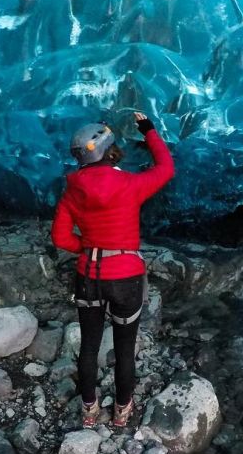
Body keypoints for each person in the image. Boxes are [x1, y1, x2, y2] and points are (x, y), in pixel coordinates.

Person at [51, 112, 174, 428]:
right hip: (126, 278)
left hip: (89, 276)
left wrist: (90, 250)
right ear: (109, 150)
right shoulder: (130, 184)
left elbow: (60, 237)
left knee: (89, 347)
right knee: (124, 348)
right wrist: (148, 130)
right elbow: (166, 168)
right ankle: (122, 411)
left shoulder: (72, 191)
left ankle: (89, 410)